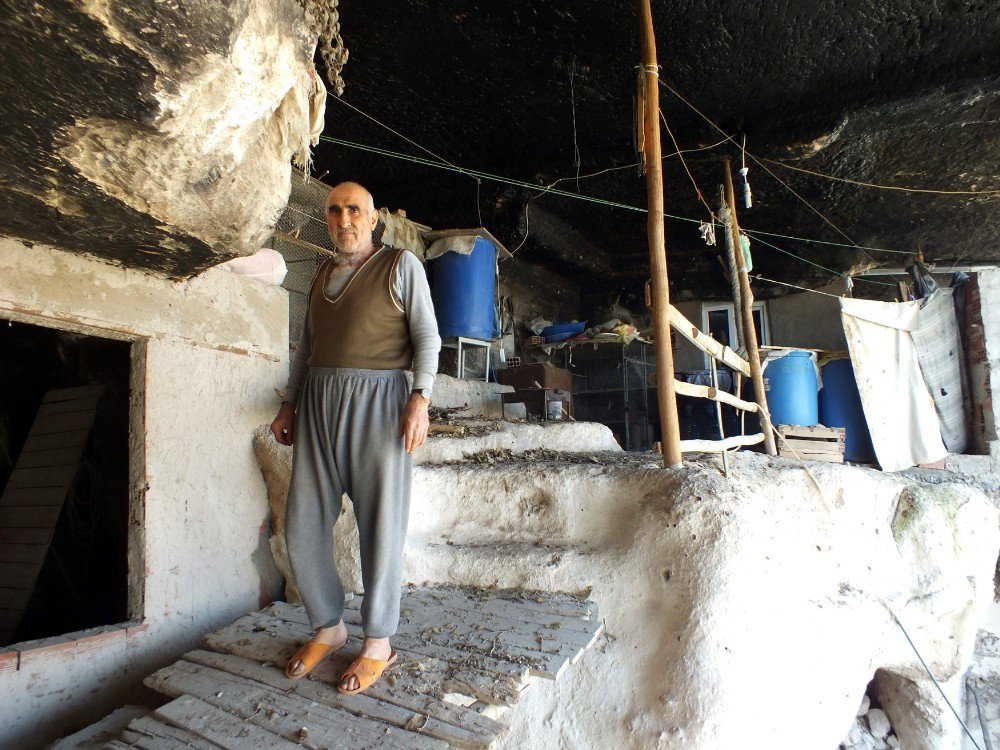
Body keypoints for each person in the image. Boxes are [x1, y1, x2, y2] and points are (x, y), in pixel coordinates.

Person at [269, 181, 441, 695]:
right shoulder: (321, 272)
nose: (344, 219)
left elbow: (427, 337)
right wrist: (290, 401)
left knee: (379, 529)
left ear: (373, 220)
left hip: (382, 406)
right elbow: (307, 348)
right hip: (320, 405)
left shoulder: (399, 266)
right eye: (335, 210)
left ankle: (378, 642)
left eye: (354, 211)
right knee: (301, 523)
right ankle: (328, 626)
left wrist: (420, 399)